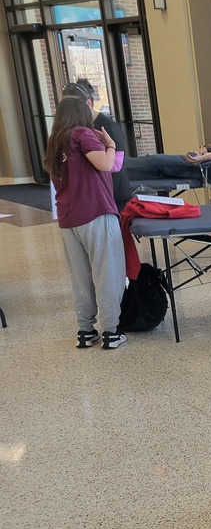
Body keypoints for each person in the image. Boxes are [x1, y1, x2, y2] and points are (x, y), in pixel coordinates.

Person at [44, 97, 127, 350]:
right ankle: (112, 332)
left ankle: (86, 330)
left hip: (69, 220)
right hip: (96, 214)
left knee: (80, 278)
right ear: (81, 113)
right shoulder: (82, 133)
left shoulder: (55, 142)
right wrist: (111, 145)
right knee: (108, 274)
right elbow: (106, 164)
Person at [124, 105, 211, 184]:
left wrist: (201, 158)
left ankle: (117, 168)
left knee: (155, 162)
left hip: (207, 169)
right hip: (201, 162)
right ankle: (120, 171)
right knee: (154, 165)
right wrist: (203, 149)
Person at [61, 79, 132, 211]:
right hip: (91, 198)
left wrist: (109, 146)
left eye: (73, 106)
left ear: (88, 103)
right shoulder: (73, 130)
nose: (68, 111)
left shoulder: (108, 127)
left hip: (113, 195)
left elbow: (116, 165)